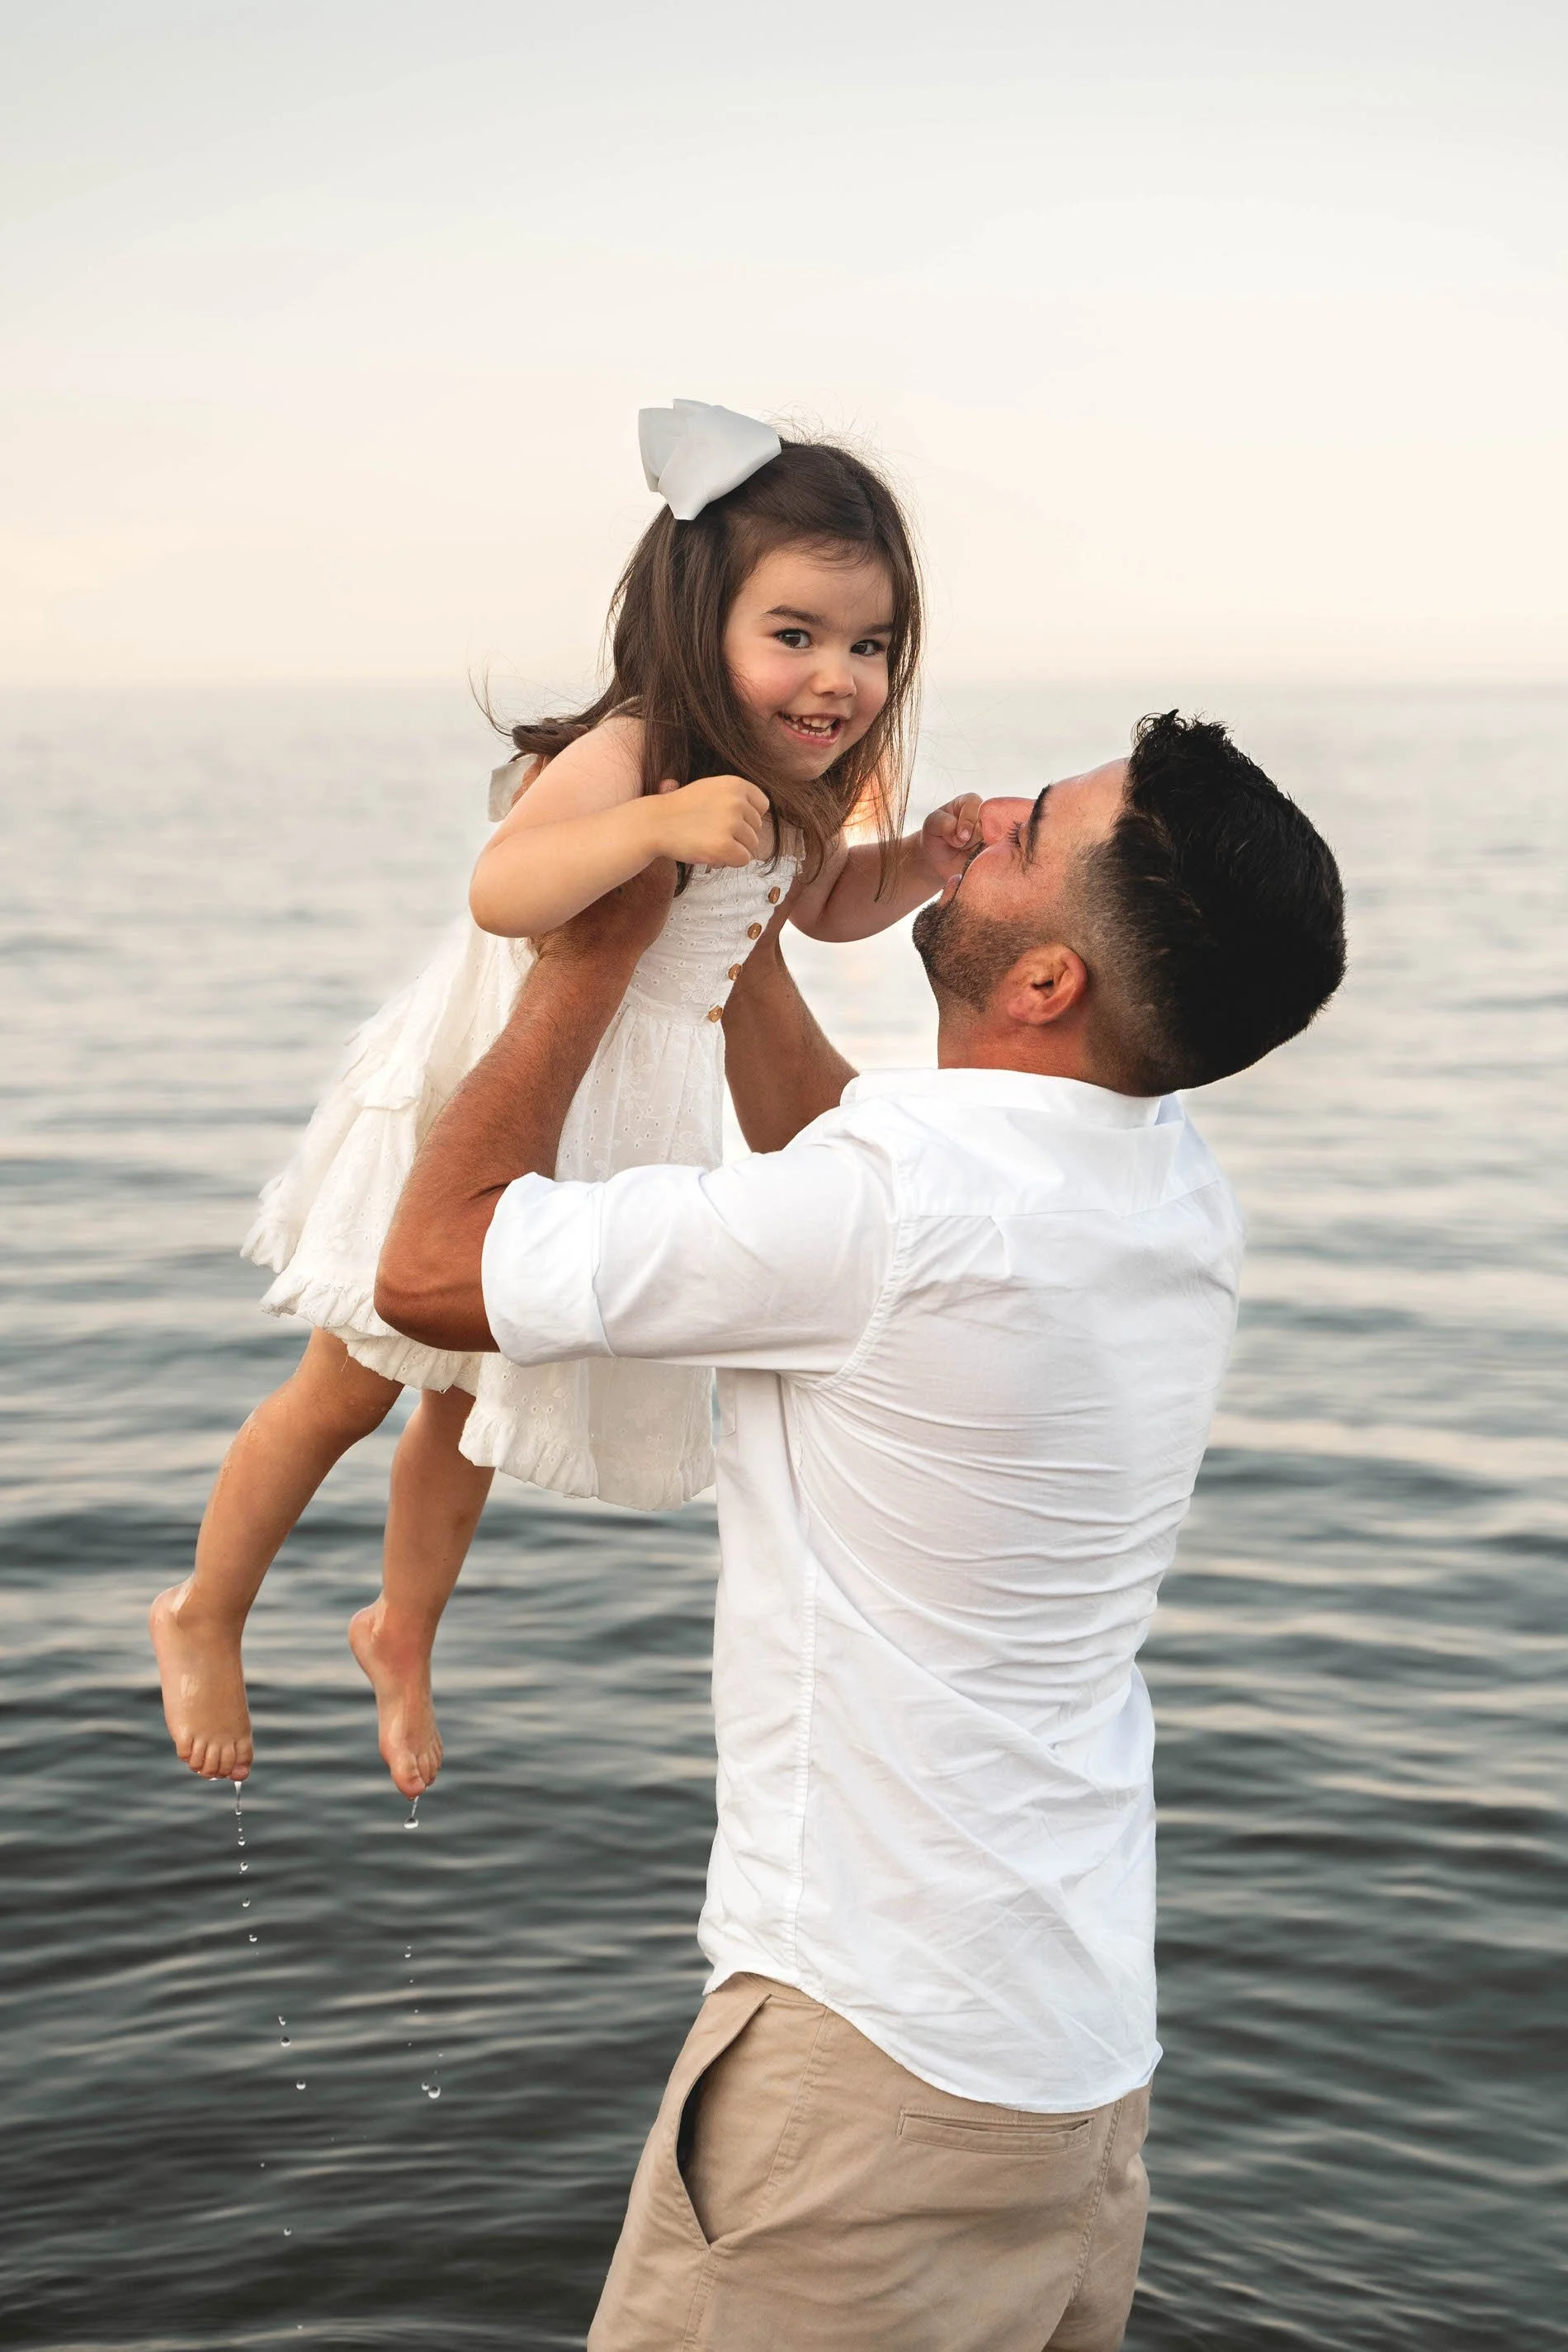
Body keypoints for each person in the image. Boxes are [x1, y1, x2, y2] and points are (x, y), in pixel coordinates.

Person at [373, 709, 1346, 2351]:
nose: (968, 829)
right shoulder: (1165, 1182)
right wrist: (731, 924)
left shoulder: (894, 1207)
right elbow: (851, 1164)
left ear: (1045, 988)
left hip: (866, 2091)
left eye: (1023, 832)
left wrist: (596, 950)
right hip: (1072, 2084)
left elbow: (431, 1270)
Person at [150, 403, 985, 1799]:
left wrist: (920, 861)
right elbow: (504, 887)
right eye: (796, 633)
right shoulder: (639, 750)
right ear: (698, 614)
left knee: (473, 1400)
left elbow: (821, 902)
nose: (837, 675)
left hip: (608, 1120)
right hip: (485, 1094)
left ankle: (400, 1630)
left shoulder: (802, 782)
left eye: (870, 643)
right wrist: (651, 826)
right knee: (345, 1389)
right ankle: (205, 1610)